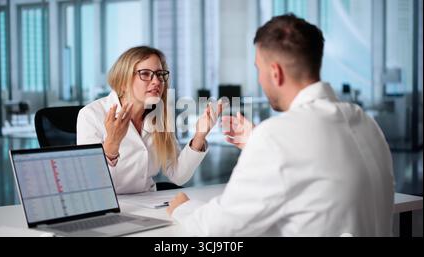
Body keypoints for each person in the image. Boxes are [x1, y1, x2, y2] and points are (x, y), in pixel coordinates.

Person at [166, 14, 395, 236]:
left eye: (258, 69)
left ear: (275, 72)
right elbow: (319, 172)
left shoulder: (277, 138)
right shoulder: (364, 122)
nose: (259, 79)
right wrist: (257, 142)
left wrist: (183, 208)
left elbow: (219, 229)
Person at [77, 46, 222, 194]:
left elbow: (178, 175)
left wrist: (199, 136)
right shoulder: (91, 115)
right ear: (122, 81)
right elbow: (90, 182)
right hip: (112, 205)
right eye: (145, 74)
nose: (156, 81)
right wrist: (111, 144)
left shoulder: (158, 116)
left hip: (148, 202)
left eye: (160, 75)